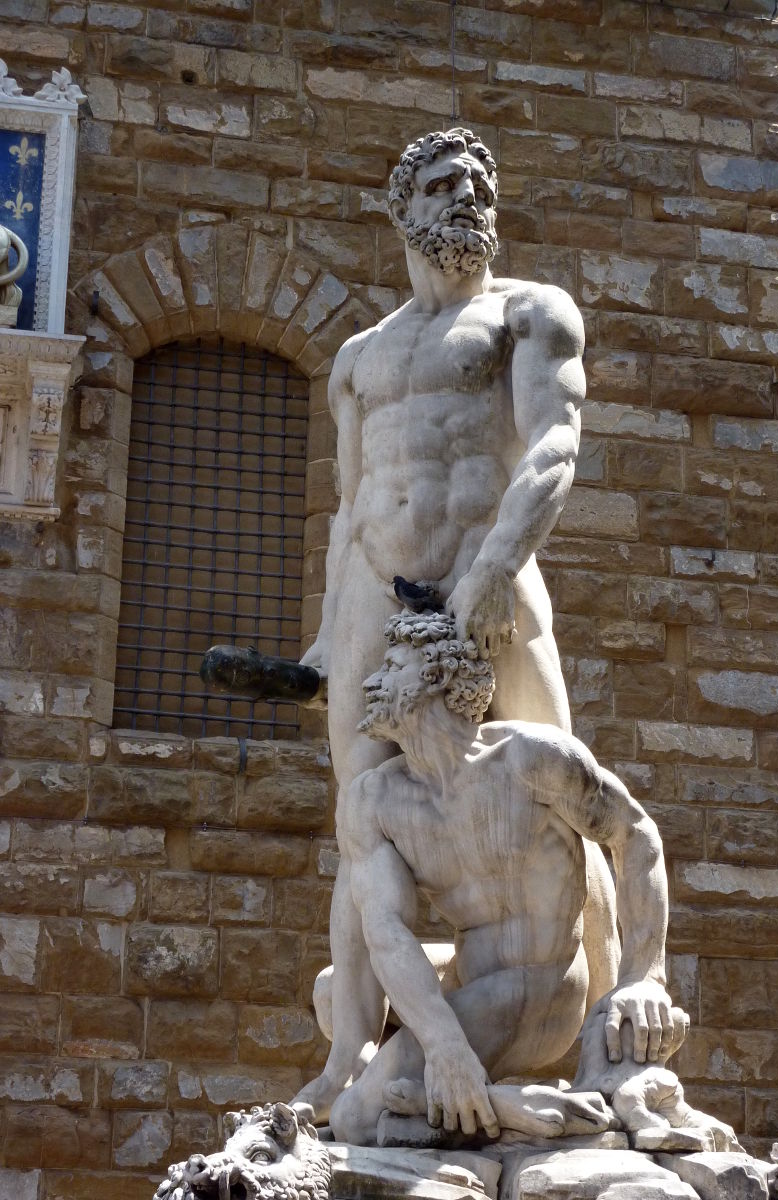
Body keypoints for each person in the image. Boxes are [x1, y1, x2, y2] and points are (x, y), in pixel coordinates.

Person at [293, 127, 611, 1120]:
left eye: (480, 182)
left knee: (563, 793)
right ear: (402, 206)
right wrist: (320, 637)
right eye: (443, 182)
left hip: (493, 585)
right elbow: (350, 505)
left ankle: (607, 1039)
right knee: (363, 827)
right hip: (371, 607)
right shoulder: (357, 358)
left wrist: (494, 568)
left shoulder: (528, 314)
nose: (468, 195)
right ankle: (350, 1051)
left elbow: (554, 445)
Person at [322, 609, 676, 1146]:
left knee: (354, 1119)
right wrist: (444, 1045)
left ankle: (483, 1104)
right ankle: (504, 1106)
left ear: (434, 677)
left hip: (543, 986)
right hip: (470, 974)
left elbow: (636, 836)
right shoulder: (375, 800)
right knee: (332, 991)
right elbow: (386, 931)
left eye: (390, 667)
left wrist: (644, 976)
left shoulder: (529, 759)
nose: (370, 682)